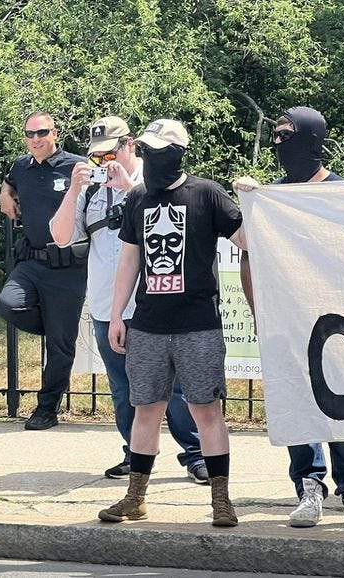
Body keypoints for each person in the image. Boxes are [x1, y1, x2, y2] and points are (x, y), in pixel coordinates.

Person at [234, 106, 344, 531]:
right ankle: (309, 486)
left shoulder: (341, 194)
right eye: (276, 136)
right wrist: (257, 310)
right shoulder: (273, 198)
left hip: (338, 321)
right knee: (297, 401)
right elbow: (248, 257)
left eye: (287, 135)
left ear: (311, 139)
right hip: (288, 319)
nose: (279, 143)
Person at [98, 119, 244, 527]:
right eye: (146, 150)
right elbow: (129, 259)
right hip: (148, 324)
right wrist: (117, 315)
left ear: (178, 152)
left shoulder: (207, 194)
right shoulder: (138, 197)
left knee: (206, 410)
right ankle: (136, 497)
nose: (151, 158)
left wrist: (253, 201)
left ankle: (220, 499)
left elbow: (247, 240)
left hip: (198, 323)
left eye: (159, 151)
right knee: (146, 410)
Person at [49, 116, 208, 483]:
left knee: (177, 388)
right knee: (124, 390)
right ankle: (136, 455)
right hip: (109, 307)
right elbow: (59, 237)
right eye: (97, 157)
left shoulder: (156, 182)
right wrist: (74, 190)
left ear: (130, 145)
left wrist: (131, 186)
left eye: (110, 154)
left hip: (160, 304)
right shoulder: (91, 191)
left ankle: (196, 454)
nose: (104, 164)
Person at [0, 112, 88, 431]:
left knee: (60, 346)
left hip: (68, 267)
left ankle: (47, 408)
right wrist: (5, 194)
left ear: (55, 133)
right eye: (29, 134)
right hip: (32, 263)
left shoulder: (77, 165)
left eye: (42, 133)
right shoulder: (22, 166)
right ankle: (55, 324)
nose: (35, 139)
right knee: (9, 304)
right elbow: (8, 182)